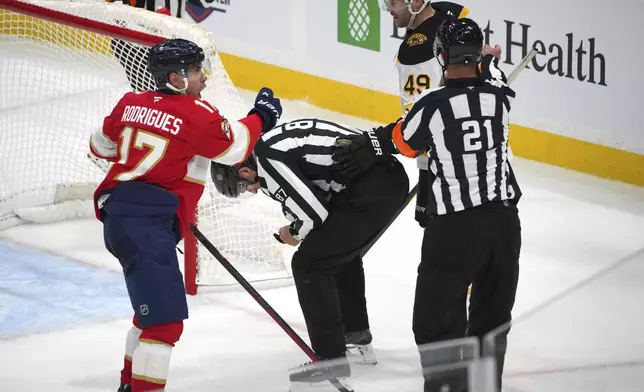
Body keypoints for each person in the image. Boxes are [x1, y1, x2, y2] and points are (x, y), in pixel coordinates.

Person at [332, 18, 521, 392]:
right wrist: (490, 62)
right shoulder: (500, 100)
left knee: (436, 325)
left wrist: (371, 140)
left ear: (439, 55)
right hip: (504, 227)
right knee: (491, 321)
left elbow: (404, 142)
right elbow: (493, 77)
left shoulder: (432, 104)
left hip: (455, 229)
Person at [88, 38, 282, 392]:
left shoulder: (131, 101)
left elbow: (99, 145)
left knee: (151, 315)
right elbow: (236, 146)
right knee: (164, 324)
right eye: (195, 71)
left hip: (123, 213)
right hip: (145, 221)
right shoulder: (196, 112)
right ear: (176, 79)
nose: (204, 77)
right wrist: (263, 115)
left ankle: (129, 386)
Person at [211, 118, 409, 389]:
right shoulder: (267, 146)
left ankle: (331, 363)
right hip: (382, 180)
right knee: (335, 254)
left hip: (374, 188)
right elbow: (315, 197)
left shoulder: (269, 159)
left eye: (246, 186)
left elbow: (313, 214)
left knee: (309, 264)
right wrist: (299, 226)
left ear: (244, 171)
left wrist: (293, 232)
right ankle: (356, 336)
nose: (254, 191)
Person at [384, 0, 469, 229]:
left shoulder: (416, 49)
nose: (388, 8)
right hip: (473, 146)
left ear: (417, 3)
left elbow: (417, 118)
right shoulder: (451, 16)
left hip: (442, 160)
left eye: (393, 2)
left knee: (437, 227)